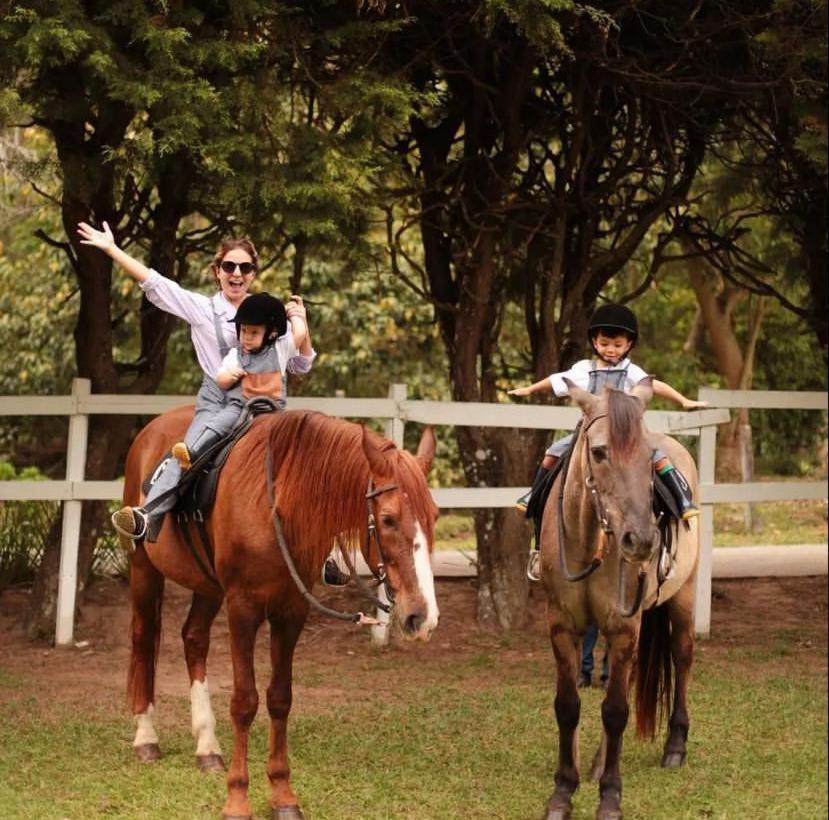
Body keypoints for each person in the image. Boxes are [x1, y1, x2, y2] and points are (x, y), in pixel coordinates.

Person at [76, 220, 314, 541]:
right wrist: (112, 249)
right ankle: (149, 514)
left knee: (305, 459)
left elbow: (300, 363)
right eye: (229, 266)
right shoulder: (202, 309)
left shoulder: (267, 313)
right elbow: (156, 284)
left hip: (265, 404)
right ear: (217, 271)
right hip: (219, 401)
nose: (237, 273)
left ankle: (318, 543)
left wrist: (300, 320)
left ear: (253, 273)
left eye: (245, 267)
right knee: (189, 450)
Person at [508, 303, 707, 582]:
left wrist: (683, 400)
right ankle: (536, 499)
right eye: (604, 343)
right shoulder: (583, 370)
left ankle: (680, 500)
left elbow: (654, 385)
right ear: (594, 342)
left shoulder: (631, 371)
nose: (610, 350)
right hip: (592, 433)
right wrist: (530, 388)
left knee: (657, 456)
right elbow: (555, 381)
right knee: (553, 452)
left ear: (628, 345)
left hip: (628, 434)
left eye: (617, 344)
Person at [171, 291, 290, 470]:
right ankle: (194, 452)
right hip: (241, 407)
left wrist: (298, 315)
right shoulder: (235, 355)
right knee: (220, 421)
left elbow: (301, 334)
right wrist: (230, 376)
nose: (247, 337)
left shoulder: (280, 351)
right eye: (243, 331)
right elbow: (220, 380)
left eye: (254, 332)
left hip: (273, 410)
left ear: (271, 334)